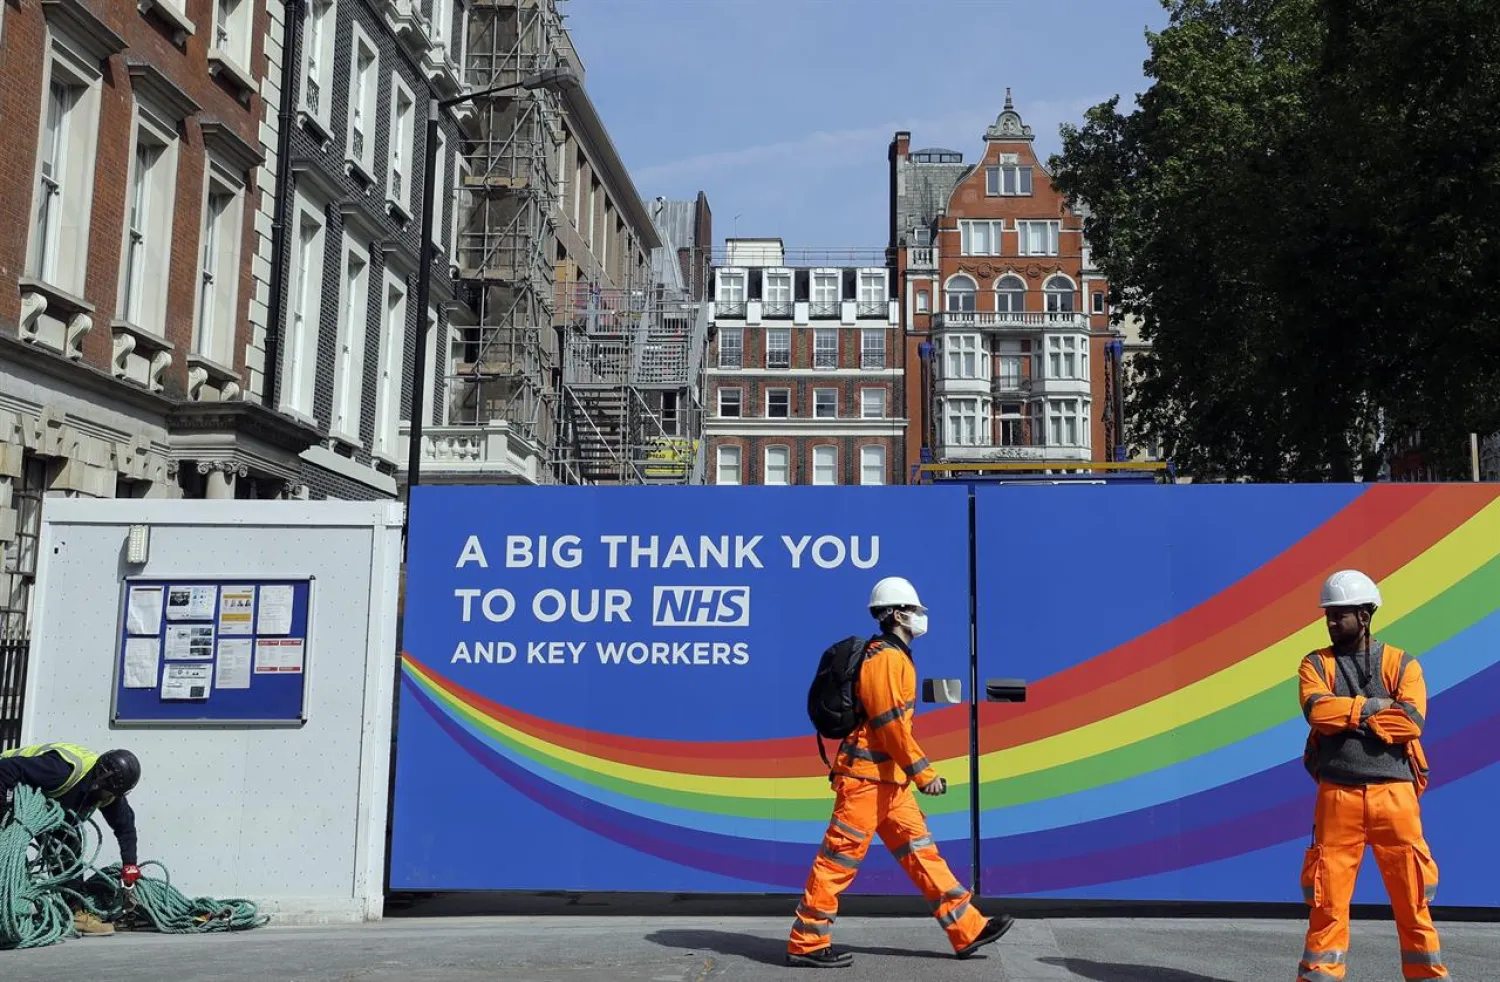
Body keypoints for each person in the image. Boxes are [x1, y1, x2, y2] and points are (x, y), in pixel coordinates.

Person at [787, 576, 1013, 968]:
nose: (920, 616)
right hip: (865, 782)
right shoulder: (887, 659)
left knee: (923, 855)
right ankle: (806, 943)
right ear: (895, 614)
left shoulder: (894, 656)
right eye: (913, 609)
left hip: (889, 783)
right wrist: (925, 774)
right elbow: (890, 726)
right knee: (838, 861)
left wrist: (909, 775)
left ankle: (967, 928)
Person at [1297, 570, 1448, 981]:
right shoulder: (1315, 664)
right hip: (1337, 797)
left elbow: (1411, 723)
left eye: (1339, 615)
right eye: (1327, 615)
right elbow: (1317, 713)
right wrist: (1373, 708)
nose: (1329, 622)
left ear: (1364, 616)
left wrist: (1347, 713)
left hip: (1395, 798)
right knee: (1327, 910)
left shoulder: (1403, 663)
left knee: (1414, 905)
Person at [0, 743, 143, 937]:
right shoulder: (62, 771)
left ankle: (74, 912)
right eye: (109, 793)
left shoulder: (111, 792)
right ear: (99, 781)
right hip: (7, 778)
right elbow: (7, 768)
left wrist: (130, 865)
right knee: (8, 849)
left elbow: (125, 828)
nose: (111, 798)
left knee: (69, 848)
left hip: (45, 802)